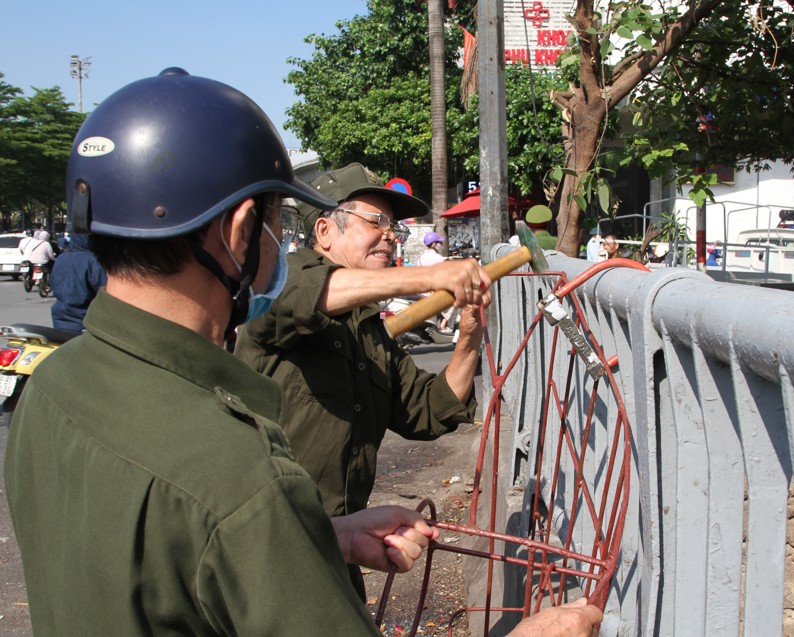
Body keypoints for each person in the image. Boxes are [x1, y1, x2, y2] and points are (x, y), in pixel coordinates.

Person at [5, 68, 499, 637]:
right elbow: (307, 296)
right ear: (239, 231)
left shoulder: (51, 384)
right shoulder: (244, 475)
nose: (388, 237)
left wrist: (320, 534)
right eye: (272, 223)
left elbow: (157, 562)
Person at [233, 162, 492, 597]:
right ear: (324, 231)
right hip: (262, 555)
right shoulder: (280, 281)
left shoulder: (369, 327)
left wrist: (469, 336)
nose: (391, 235)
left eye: (395, 227)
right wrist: (432, 275)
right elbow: (310, 295)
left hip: (335, 551)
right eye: (377, 221)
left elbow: (428, 410)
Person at [49, 232, 106, 333]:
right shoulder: (92, 259)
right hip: (83, 316)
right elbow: (102, 288)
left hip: (60, 315)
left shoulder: (61, 258)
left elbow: (52, 282)